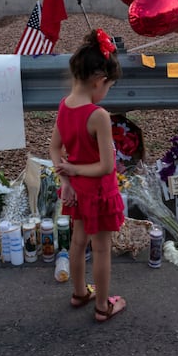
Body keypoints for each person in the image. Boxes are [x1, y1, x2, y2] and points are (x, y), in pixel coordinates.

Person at [49, 28, 126, 323]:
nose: (106, 92)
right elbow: (106, 166)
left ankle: (80, 292)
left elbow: (55, 148)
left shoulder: (64, 106)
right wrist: (75, 170)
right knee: (102, 248)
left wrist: (66, 180)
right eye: (108, 86)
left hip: (77, 192)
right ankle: (103, 307)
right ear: (99, 81)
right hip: (98, 192)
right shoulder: (98, 115)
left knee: (78, 242)